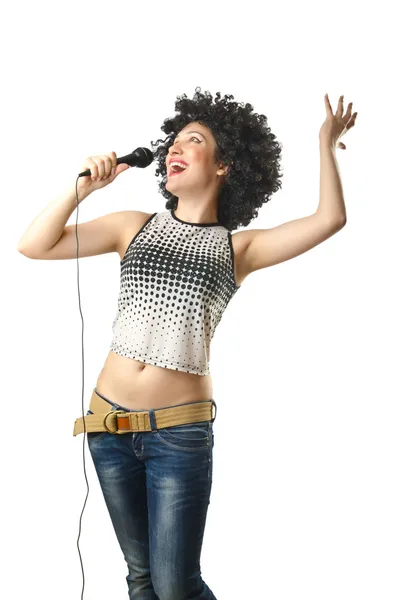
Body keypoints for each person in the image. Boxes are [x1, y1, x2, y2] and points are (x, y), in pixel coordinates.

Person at [17, 87, 353, 599]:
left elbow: (330, 219)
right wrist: (81, 190)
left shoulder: (239, 248)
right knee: (142, 577)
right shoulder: (134, 227)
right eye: (173, 139)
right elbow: (32, 245)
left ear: (224, 165)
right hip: (107, 428)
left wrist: (325, 144)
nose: (175, 147)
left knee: (176, 585)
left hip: (179, 437)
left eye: (192, 140)